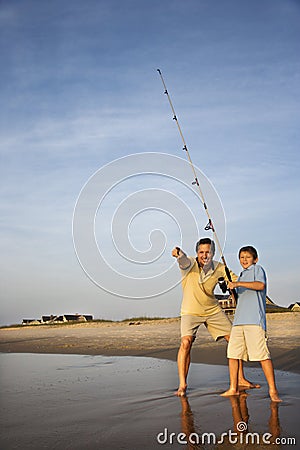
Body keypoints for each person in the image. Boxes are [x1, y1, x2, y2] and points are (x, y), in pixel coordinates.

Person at [172, 237, 253, 397]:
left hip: (212, 309)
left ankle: (241, 378)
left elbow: (237, 280)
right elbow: (182, 260)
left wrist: (249, 284)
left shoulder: (220, 267)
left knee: (234, 340)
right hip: (190, 310)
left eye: (207, 252)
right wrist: (178, 253)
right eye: (201, 252)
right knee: (186, 343)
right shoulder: (189, 263)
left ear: (213, 253)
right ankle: (182, 384)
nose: (204, 255)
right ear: (197, 253)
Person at [221, 245, 282, 402]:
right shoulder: (241, 275)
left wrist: (238, 284)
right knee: (233, 354)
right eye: (241, 257)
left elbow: (260, 286)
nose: (244, 260)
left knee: (262, 355)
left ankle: (273, 391)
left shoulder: (257, 269)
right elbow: (239, 300)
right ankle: (233, 388)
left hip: (254, 321)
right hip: (238, 322)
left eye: (247, 257)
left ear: (255, 259)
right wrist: (233, 289)